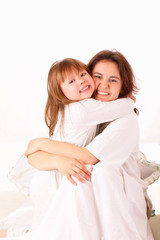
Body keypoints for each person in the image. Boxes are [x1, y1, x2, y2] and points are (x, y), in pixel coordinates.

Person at [21, 50, 154, 240]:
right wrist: (57, 159)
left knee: (96, 172)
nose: (103, 85)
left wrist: (42, 144)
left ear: (123, 85)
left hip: (117, 194)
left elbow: (89, 156)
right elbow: (32, 156)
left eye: (113, 80)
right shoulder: (80, 109)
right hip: (69, 186)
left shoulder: (124, 119)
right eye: (97, 76)